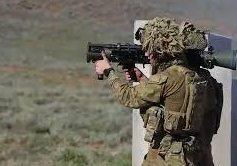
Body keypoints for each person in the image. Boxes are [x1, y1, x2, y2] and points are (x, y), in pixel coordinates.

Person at [94, 17, 223, 166]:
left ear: (161, 52)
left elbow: (127, 97)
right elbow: (172, 98)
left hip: (166, 157)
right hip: (197, 154)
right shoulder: (203, 78)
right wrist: (142, 78)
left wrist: (108, 71)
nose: (148, 55)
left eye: (151, 51)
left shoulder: (166, 78)